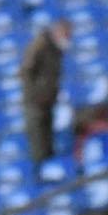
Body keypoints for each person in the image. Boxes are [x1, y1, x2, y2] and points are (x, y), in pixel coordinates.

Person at [20, 18, 70, 164]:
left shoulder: (57, 50)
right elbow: (26, 71)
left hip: (48, 103)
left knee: (48, 144)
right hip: (36, 103)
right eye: (66, 35)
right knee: (38, 144)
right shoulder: (40, 45)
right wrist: (37, 94)